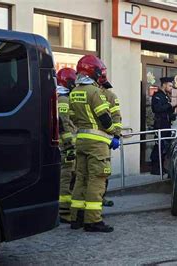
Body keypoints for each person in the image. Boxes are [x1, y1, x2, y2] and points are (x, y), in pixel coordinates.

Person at [69, 55, 119, 233]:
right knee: (96, 180)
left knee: (80, 179)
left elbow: (72, 117)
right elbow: (105, 119)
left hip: (81, 141)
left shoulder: (74, 92)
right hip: (97, 144)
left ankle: (76, 218)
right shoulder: (94, 92)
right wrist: (113, 133)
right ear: (93, 71)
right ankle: (93, 220)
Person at [56, 67, 78, 224]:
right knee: (66, 177)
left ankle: (67, 208)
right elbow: (63, 124)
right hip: (66, 147)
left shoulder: (64, 97)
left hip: (67, 145)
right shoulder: (63, 99)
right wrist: (69, 145)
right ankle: (64, 211)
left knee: (70, 177)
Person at [99, 80, 123, 207]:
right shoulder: (86, 92)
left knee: (103, 171)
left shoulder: (110, 96)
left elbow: (116, 117)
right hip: (89, 140)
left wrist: (116, 135)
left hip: (104, 139)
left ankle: (101, 197)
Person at [150, 77, 177, 175]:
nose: (171, 88)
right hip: (160, 125)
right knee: (159, 146)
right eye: (170, 86)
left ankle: (161, 167)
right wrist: (170, 105)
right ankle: (155, 167)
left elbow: (167, 111)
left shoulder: (166, 96)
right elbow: (157, 108)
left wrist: (173, 108)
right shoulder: (157, 95)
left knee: (165, 147)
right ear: (164, 85)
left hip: (166, 125)